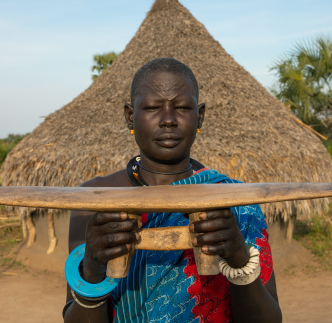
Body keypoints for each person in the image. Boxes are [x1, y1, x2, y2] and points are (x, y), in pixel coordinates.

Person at [63, 58, 282, 322]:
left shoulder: (235, 200)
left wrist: (238, 258)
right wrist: (93, 269)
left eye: (181, 107)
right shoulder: (95, 198)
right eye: (153, 108)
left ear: (199, 115)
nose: (168, 120)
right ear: (130, 116)